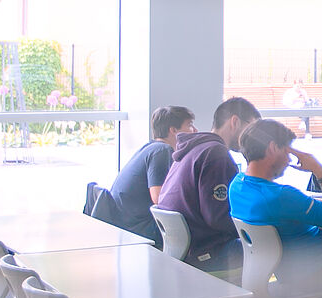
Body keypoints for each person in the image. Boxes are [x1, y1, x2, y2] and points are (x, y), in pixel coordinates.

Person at [229, 119, 322, 298]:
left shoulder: (237, 186)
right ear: (273, 148)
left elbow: (299, 204)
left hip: (286, 271)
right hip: (319, 270)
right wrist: (319, 170)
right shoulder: (282, 196)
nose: (290, 159)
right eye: (287, 151)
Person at [157, 96, 261, 273]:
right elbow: (218, 218)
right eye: (251, 128)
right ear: (234, 122)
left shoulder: (191, 150)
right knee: (280, 244)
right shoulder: (216, 154)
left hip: (185, 253)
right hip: (207, 255)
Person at [106, 105, 196, 241]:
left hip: (124, 223)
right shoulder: (162, 151)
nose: (195, 130)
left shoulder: (149, 148)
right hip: (137, 228)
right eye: (189, 126)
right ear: (173, 130)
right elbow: (159, 198)